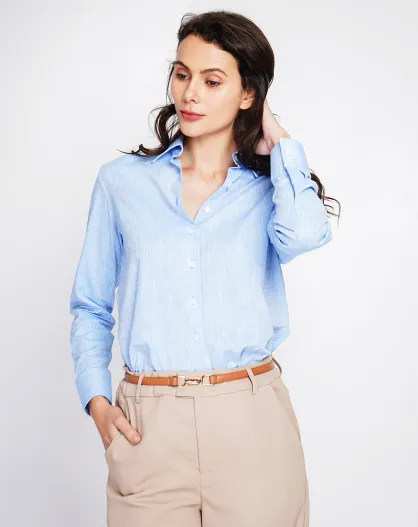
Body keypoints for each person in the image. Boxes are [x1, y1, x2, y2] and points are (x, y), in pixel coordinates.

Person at [69, 9, 340, 527]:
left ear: (248, 94)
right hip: (148, 427)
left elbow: (306, 235)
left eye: (212, 81)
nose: (190, 93)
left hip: (251, 422)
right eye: (182, 74)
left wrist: (280, 142)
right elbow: (90, 304)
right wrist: (96, 399)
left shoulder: (270, 189)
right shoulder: (122, 183)